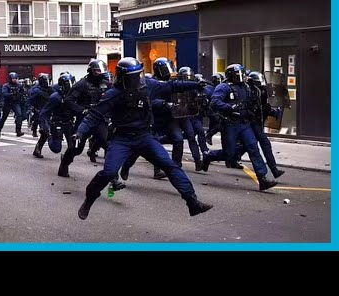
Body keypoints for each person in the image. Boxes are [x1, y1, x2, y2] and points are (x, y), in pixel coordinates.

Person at [75, 57, 213, 220]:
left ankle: (192, 201)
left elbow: (172, 86)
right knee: (109, 172)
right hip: (122, 139)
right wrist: (80, 131)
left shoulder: (148, 86)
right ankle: (89, 201)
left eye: (139, 75)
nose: (138, 79)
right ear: (124, 77)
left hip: (144, 137)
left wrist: (197, 84)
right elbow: (94, 115)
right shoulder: (113, 94)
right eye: (134, 76)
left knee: (170, 167)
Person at [202, 64, 278, 191]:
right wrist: (230, 108)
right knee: (229, 154)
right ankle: (209, 156)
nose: (241, 77)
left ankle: (262, 179)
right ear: (231, 75)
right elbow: (215, 102)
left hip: (244, 124)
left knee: (253, 148)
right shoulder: (223, 87)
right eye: (238, 75)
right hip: (230, 124)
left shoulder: (246, 87)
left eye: (242, 74)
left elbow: (255, 101)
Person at [34, 72, 76, 158]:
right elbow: (42, 111)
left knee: (72, 146)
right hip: (55, 118)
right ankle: (43, 142)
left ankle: (65, 162)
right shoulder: (55, 96)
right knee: (55, 148)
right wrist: (46, 127)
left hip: (68, 121)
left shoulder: (74, 95)